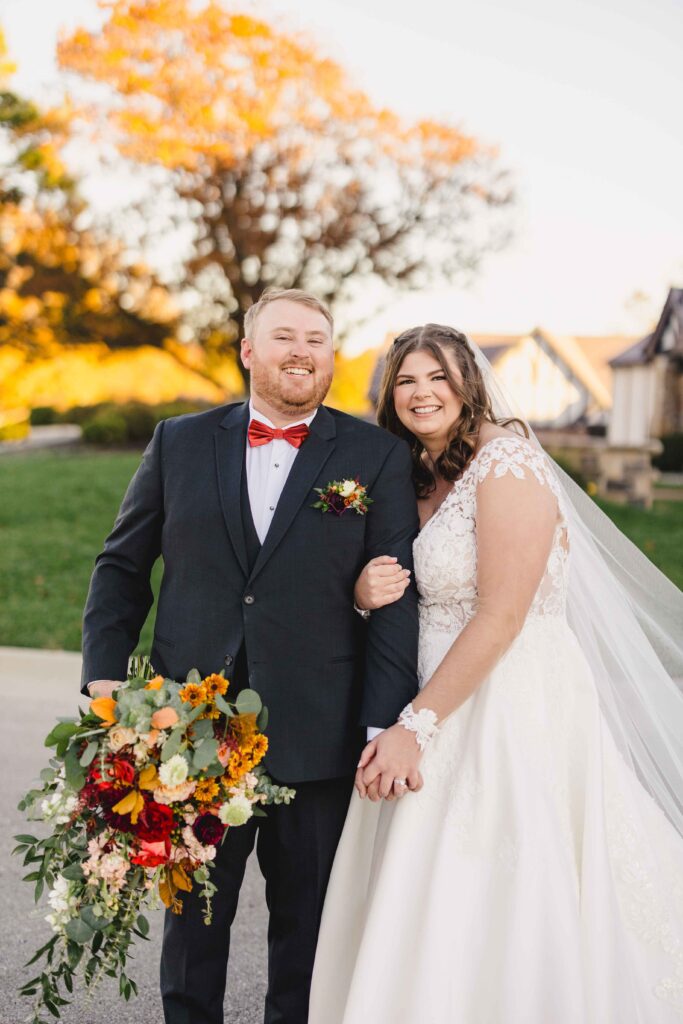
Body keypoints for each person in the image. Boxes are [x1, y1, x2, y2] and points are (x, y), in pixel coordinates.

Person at [309, 323, 683, 1023]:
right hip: (423, 688)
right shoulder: (407, 472)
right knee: (428, 871)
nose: (421, 393)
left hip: (509, 696)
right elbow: (407, 593)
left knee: (504, 858)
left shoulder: (507, 465)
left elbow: (502, 615)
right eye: (406, 380)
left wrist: (415, 726)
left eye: (437, 378)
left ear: (469, 384)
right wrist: (363, 596)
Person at [80, 288, 419, 1024]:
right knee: (193, 927)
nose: (301, 351)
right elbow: (120, 566)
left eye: (317, 339)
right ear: (247, 350)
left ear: (332, 355)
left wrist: (379, 726)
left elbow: (397, 600)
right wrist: (103, 675)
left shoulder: (375, 455)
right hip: (192, 732)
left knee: (307, 935)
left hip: (320, 734)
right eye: (284, 336)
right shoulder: (178, 440)